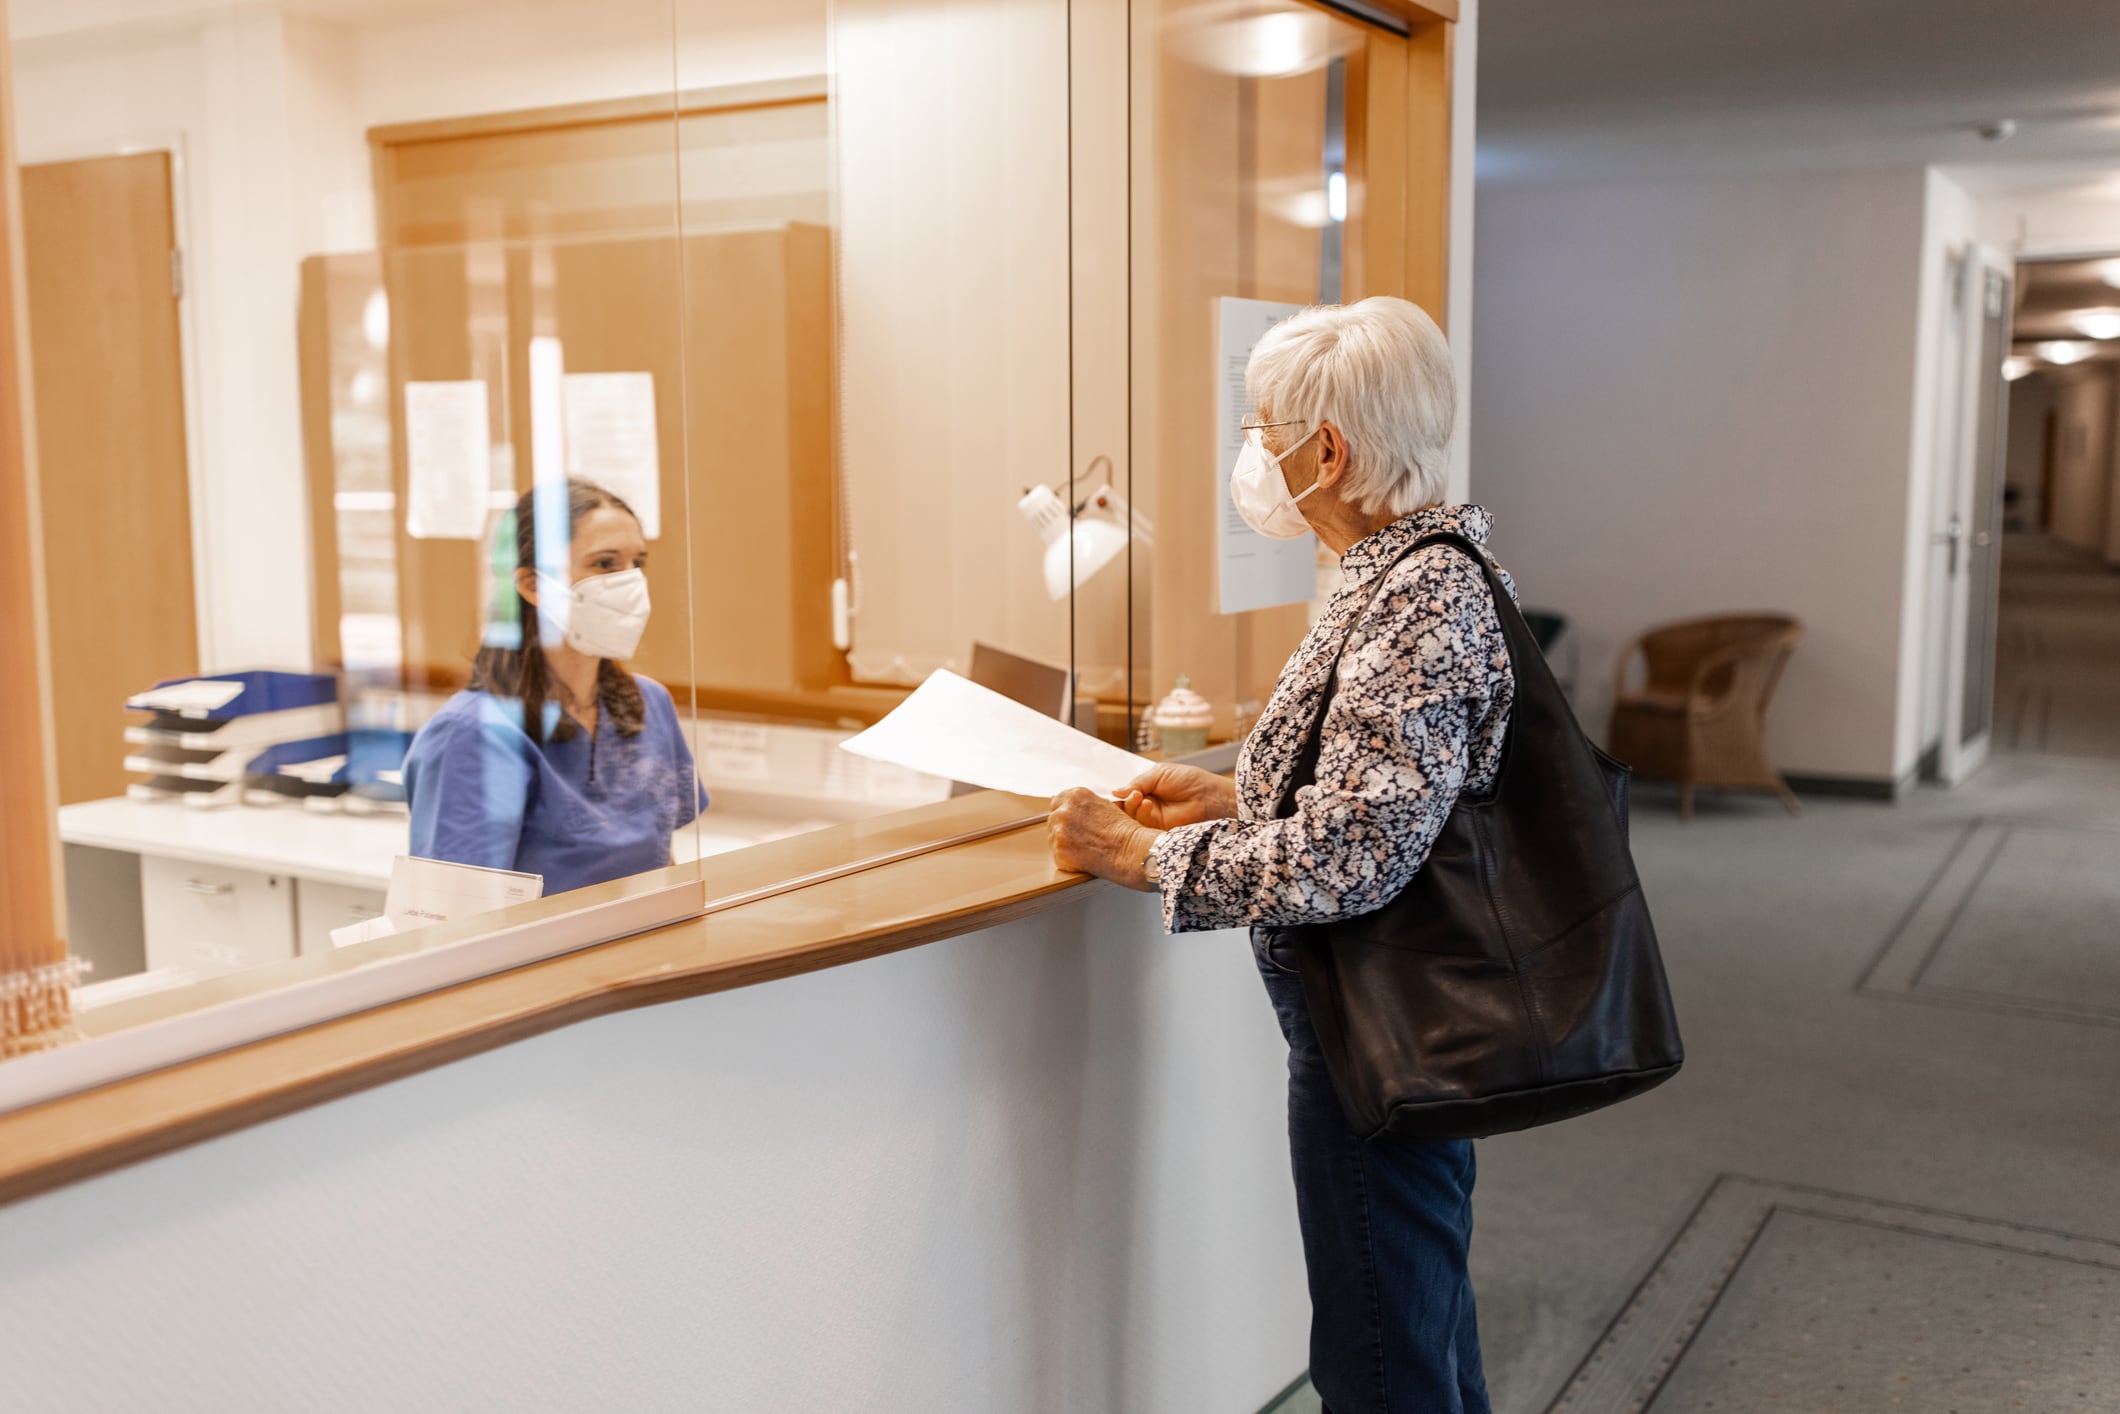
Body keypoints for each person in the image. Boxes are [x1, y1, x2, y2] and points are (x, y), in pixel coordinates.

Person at [1047, 296, 1509, 1414]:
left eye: (1260, 433)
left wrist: (1138, 859)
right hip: (1376, 1024)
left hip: (1384, 1036)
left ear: (1328, 450)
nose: (1251, 459)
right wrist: (1230, 791)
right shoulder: (1386, 573)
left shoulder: (1416, 594)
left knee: (1379, 1352)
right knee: (1415, 1321)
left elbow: (1353, 854)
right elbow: (1374, 786)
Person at [403, 478, 705, 896]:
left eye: (638, 563)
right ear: (533, 585)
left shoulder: (648, 704)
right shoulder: (472, 734)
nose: (630, 583)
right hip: (542, 958)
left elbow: (661, 866)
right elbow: (455, 918)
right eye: (605, 564)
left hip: (648, 953)